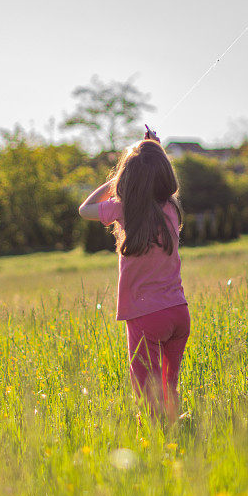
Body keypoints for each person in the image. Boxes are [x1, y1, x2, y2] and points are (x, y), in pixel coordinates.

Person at [78, 127, 190, 421]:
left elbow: (85, 209)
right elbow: (163, 183)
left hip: (145, 317)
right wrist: (154, 152)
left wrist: (118, 178)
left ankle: (159, 445)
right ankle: (177, 435)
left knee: (147, 394)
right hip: (179, 313)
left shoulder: (124, 209)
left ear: (128, 180)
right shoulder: (172, 208)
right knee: (169, 387)